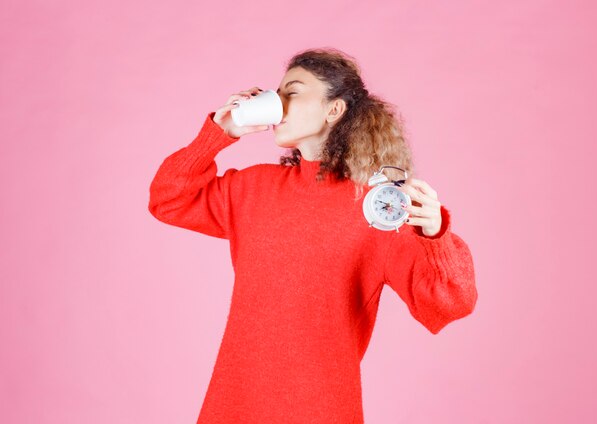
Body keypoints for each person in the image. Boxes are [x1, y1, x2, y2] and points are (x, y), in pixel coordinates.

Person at [148, 47, 478, 424]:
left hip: (321, 409)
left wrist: (435, 234)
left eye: (293, 91)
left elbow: (450, 303)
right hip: (235, 403)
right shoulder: (253, 189)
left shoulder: (378, 207)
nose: (277, 102)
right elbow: (168, 200)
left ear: (332, 110)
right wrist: (220, 134)